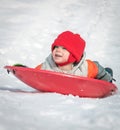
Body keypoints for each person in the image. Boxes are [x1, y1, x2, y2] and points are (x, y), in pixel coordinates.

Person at [35, 31, 114, 83]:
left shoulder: (86, 68)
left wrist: (107, 81)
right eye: (56, 47)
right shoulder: (46, 66)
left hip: (90, 79)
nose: (58, 50)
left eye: (64, 48)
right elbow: (33, 75)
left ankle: (109, 72)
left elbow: (98, 69)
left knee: (100, 75)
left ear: (74, 55)